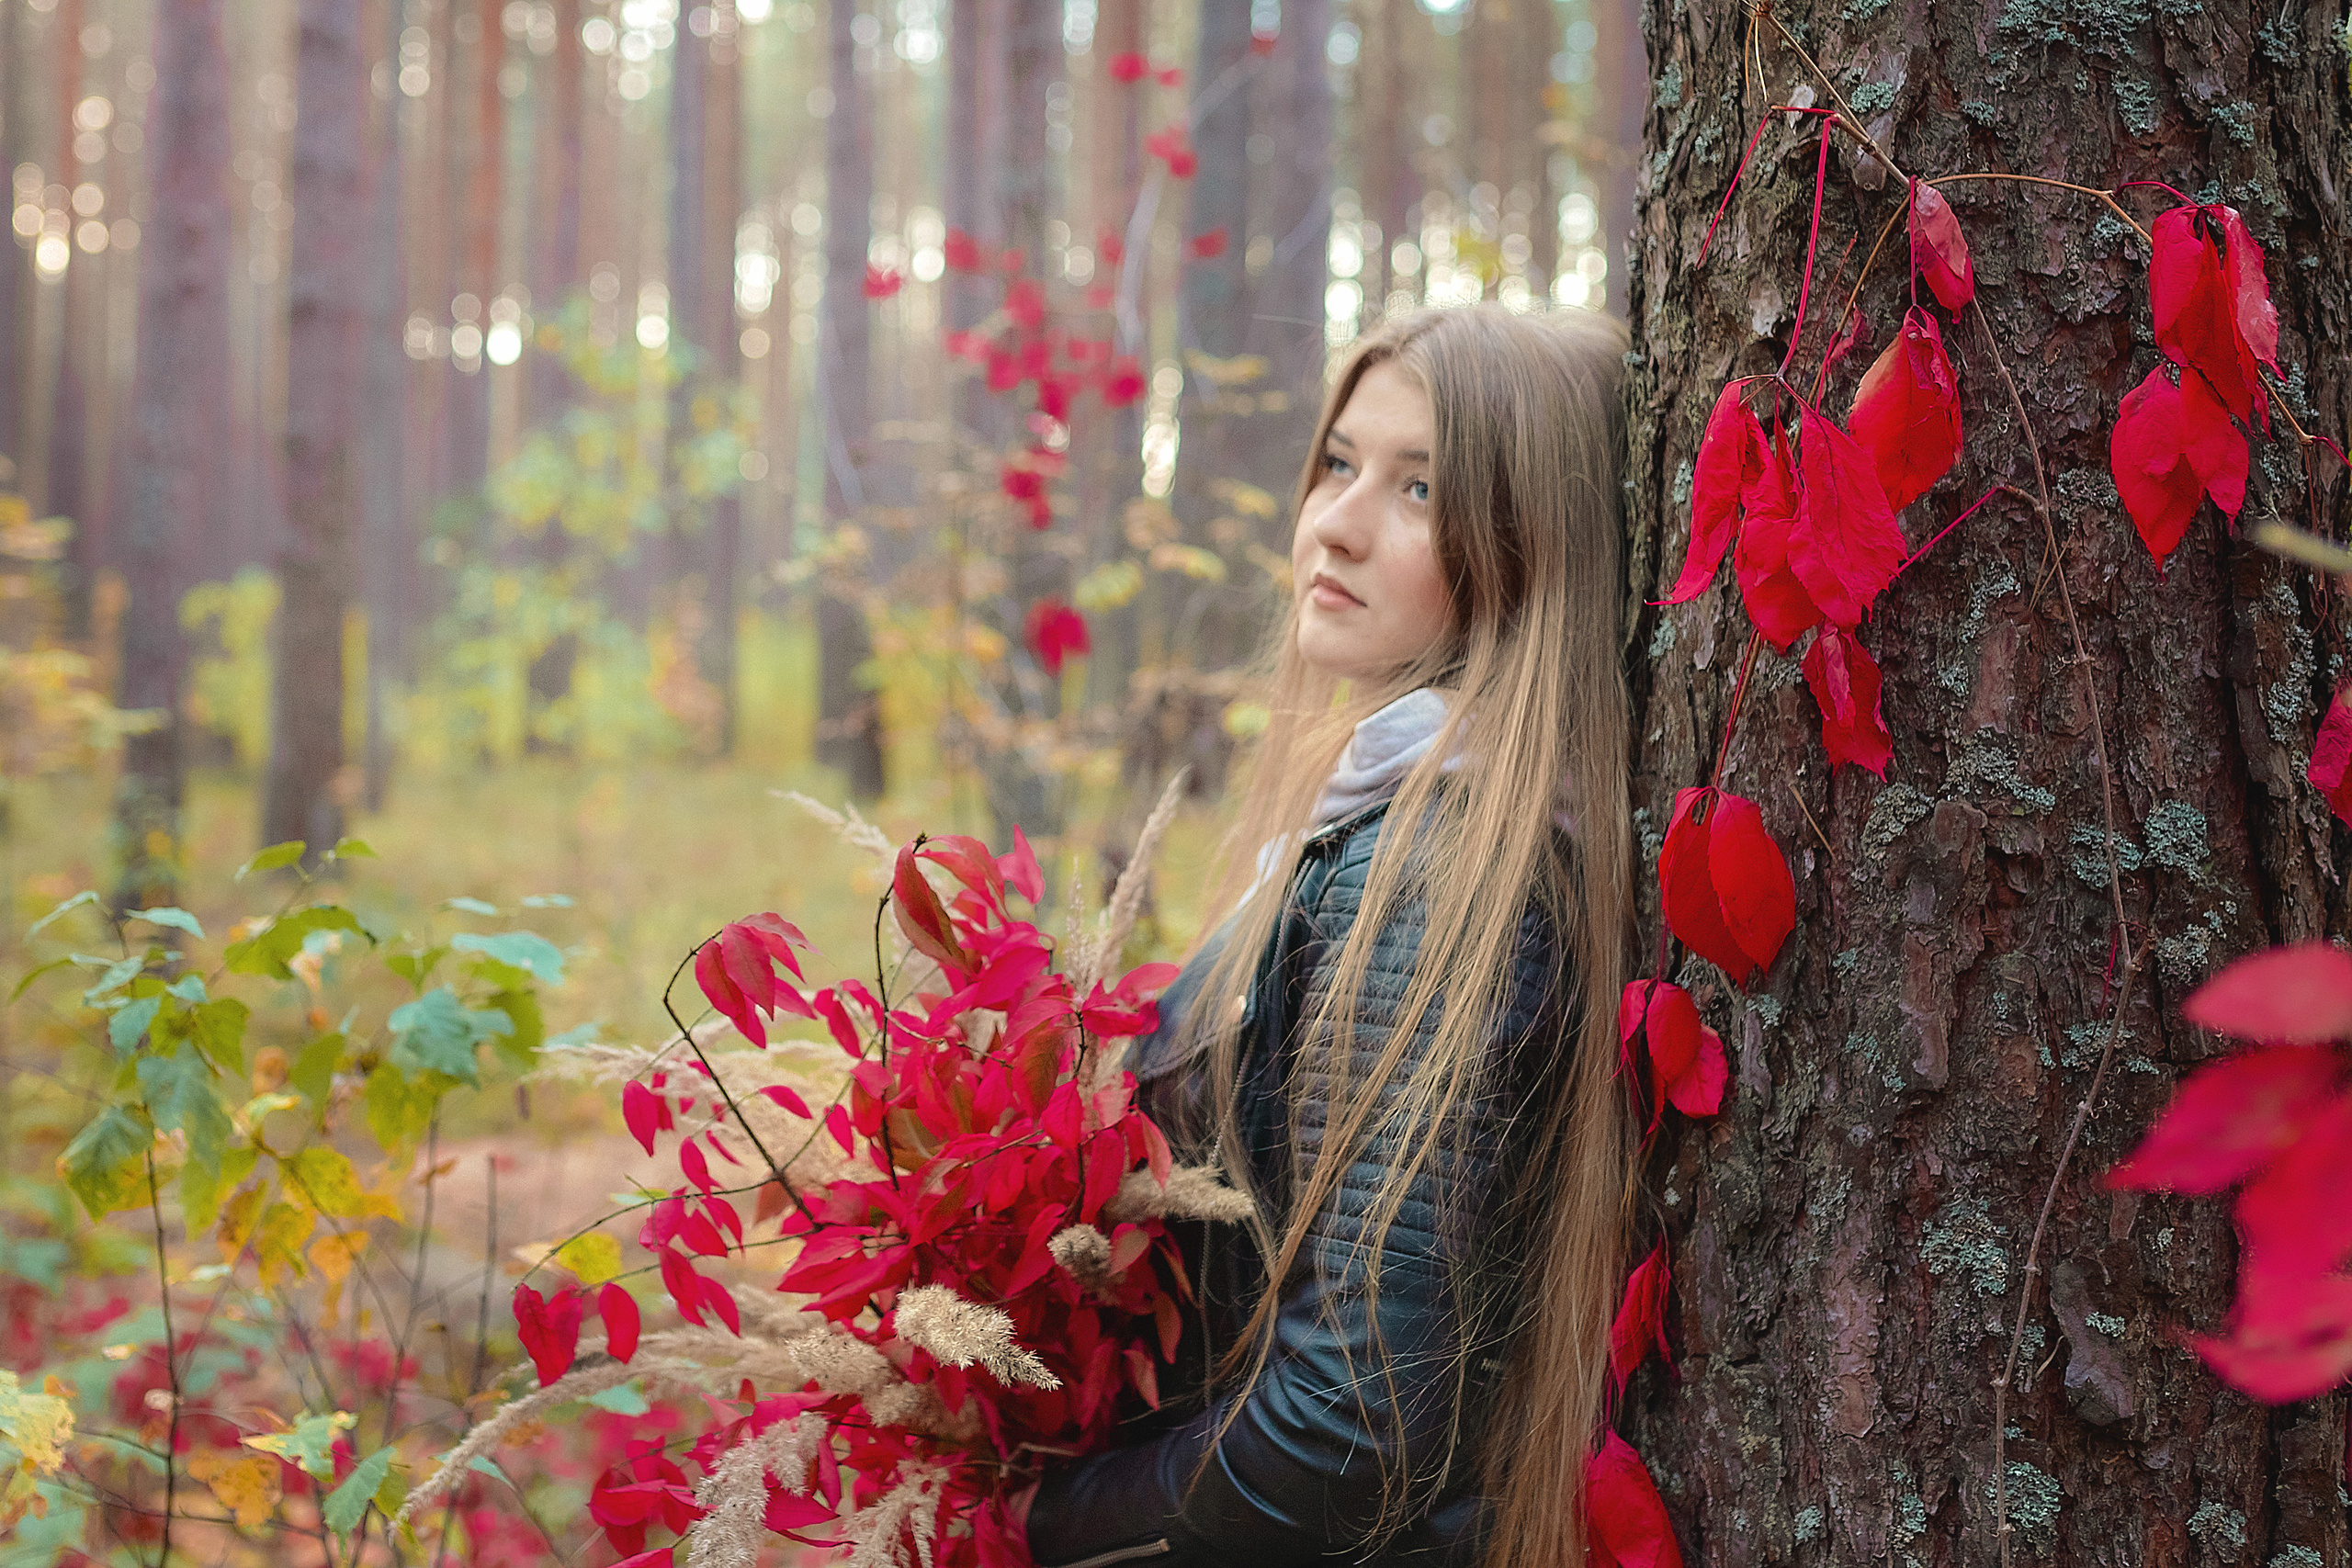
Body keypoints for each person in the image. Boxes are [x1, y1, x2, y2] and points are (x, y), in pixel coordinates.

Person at [1018, 304, 1639, 1568]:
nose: (1336, 523)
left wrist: (1043, 1526)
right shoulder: (1378, 823)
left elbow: (1347, 1425)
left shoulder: (1432, 876)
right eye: (1341, 464)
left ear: (1538, 550)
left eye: (1419, 489)